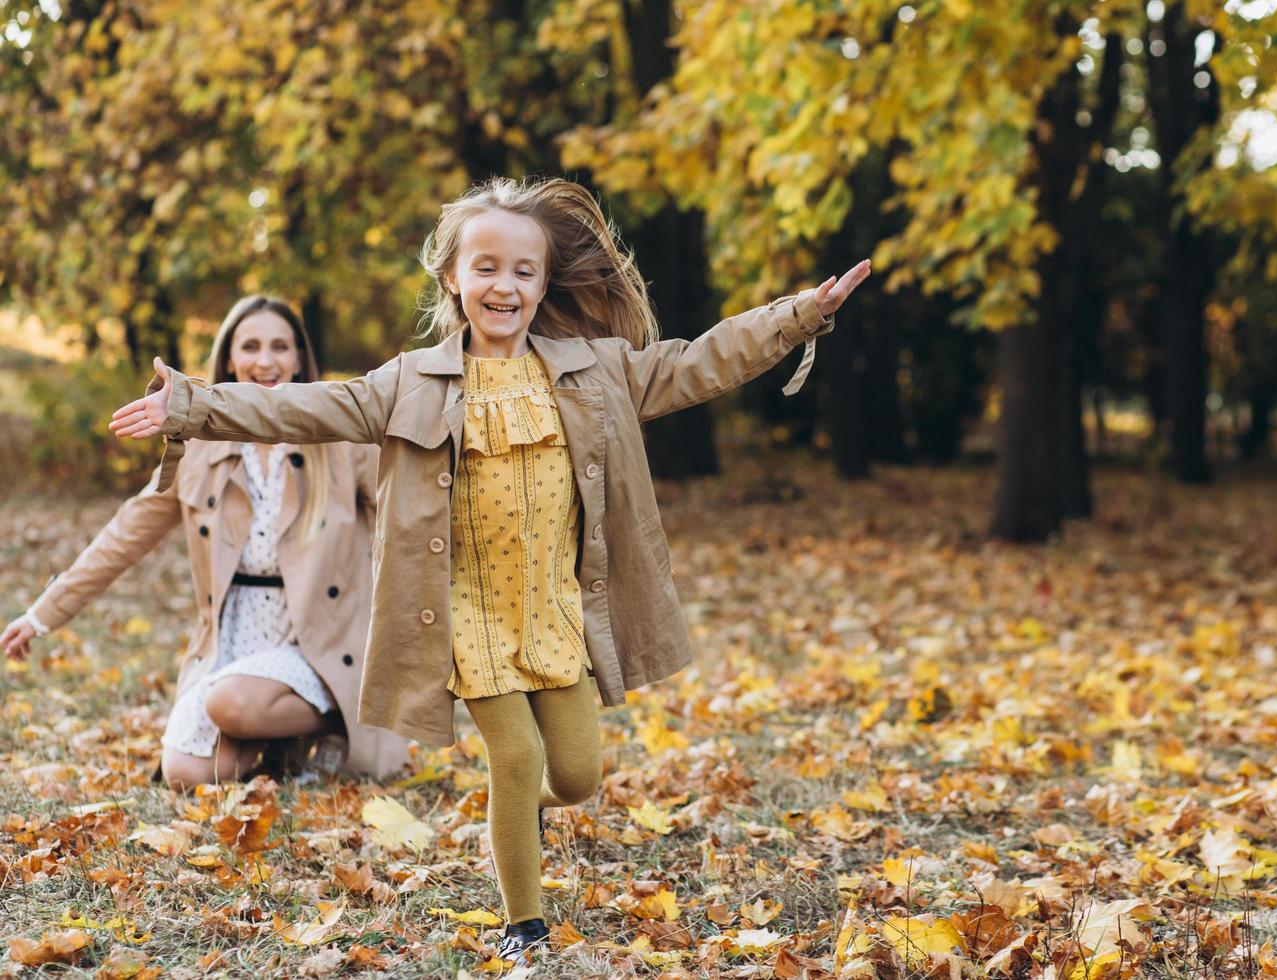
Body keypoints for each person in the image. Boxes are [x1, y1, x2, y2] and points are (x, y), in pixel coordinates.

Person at [109, 176, 869, 964]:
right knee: (517, 758)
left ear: (543, 284)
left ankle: (517, 822)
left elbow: (699, 363)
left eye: (523, 271)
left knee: (574, 777)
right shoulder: (410, 383)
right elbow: (303, 406)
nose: (503, 286)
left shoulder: (592, 372)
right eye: (486, 268)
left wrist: (799, 315)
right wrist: (193, 406)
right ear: (453, 278)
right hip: (466, 615)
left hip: (553, 611)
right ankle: (523, 925)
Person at [3, 296, 408, 789]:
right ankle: (281, 737)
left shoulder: (343, 443)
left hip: (318, 636)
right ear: (230, 359)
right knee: (187, 774)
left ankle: (345, 716)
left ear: (300, 359)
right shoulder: (199, 451)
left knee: (230, 704)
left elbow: (404, 524)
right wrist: (42, 614)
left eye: (280, 346)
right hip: (235, 631)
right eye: (251, 346)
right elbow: (126, 534)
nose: (266, 360)